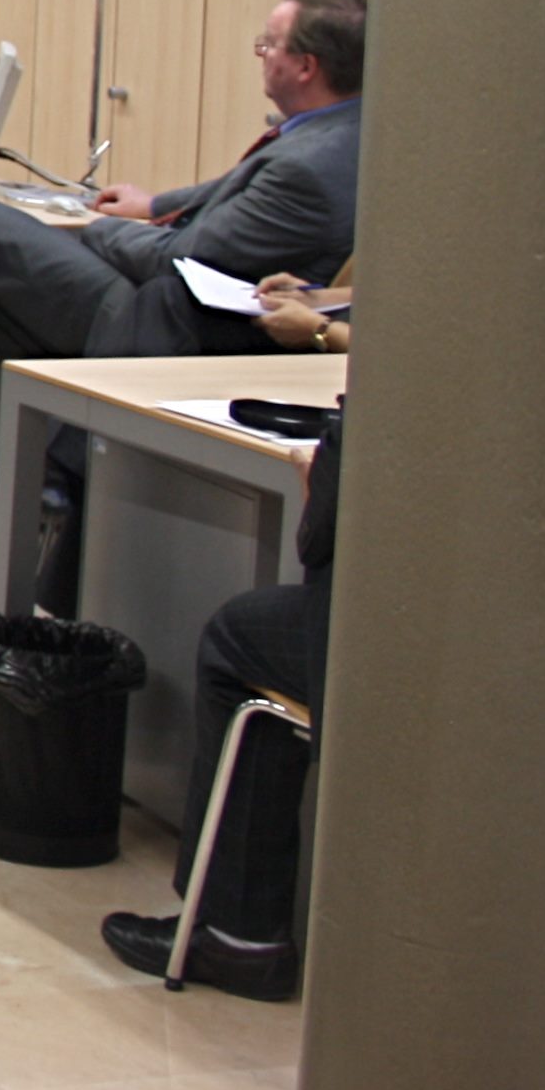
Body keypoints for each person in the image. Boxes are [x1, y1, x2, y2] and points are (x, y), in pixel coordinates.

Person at [0, 0, 367, 468]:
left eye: (269, 44)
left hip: (175, 326)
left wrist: (92, 226)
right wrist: (152, 204)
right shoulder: (343, 129)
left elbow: (175, 257)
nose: (261, 55)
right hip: (181, 306)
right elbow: (232, 188)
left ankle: (42, 479)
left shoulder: (309, 165)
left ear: (305, 67)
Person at [101, 404, 343, 999]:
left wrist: (315, 480)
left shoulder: (396, 393)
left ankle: (241, 937)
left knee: (238, 637)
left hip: (402, 655)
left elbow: (322, 540)